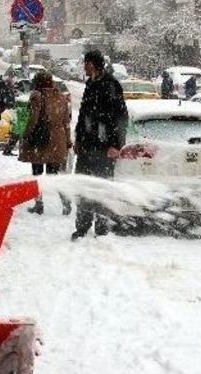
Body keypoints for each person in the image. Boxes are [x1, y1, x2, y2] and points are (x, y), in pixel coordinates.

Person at [72, 50, 128, 240]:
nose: (84, 66)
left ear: (93, 64)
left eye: (86, 63)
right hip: (87, 147)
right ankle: (81, 226)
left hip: (104, 148)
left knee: (102, 188)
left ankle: (102, 229)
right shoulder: (90, 84)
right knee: (83, 187)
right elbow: (83, 116)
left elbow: (121, 117)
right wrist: (78, 140)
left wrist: (116, 145)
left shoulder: (111, 85)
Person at [19, 72, 73, 216]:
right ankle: (66, 202)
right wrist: (68, 140)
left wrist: (27, 134)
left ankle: (39, 203)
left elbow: (33, 119)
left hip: (40, 139)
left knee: (37, 173)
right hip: (58, 139)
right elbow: (66, 122)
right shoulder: (61, 97)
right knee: (54, 174)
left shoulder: (37, 96)